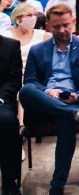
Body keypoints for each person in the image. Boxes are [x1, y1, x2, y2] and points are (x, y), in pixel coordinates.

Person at [18, 4, 79, 194]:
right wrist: (48, 91)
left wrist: (78, 96)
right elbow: (31, 81)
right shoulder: (37, 50)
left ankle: (57, 185)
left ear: (73, 22)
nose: (62, 30)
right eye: (56, 26)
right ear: (48, 25)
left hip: (73, 99)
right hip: (45, 102)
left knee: (66, 121)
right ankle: (77, 114)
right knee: (26, 90)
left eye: (66, 25)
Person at [0, 33, 22, 195]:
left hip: (2, 101)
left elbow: (14, 81)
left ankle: (9, 180)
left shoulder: (11, 46)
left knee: (6, 121)